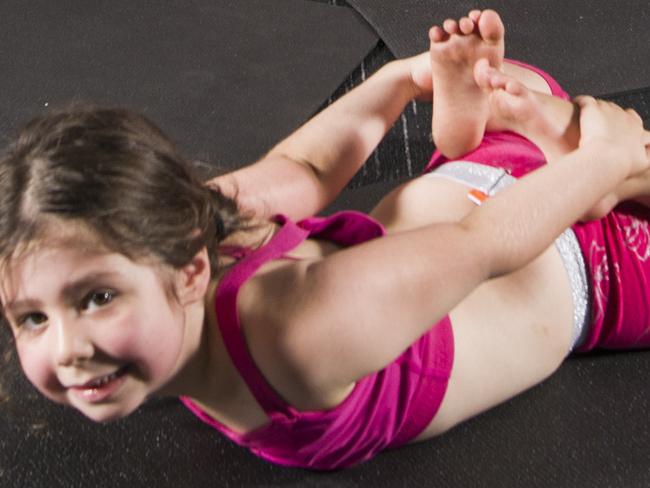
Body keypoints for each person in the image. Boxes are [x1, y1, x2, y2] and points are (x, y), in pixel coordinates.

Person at [0, 8, 648, 471]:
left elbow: (487, 244)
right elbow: (305, 171)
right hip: (474, 189)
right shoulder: (183, 231)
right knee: (528, 91)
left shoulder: (304, 331)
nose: (67, 350)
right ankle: (527, 131)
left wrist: (602, 162)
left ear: (190, 271)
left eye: (95, 300)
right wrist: (404, 81)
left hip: (584, 258)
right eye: (30, 317)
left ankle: (600, 170)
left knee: (600, 154)